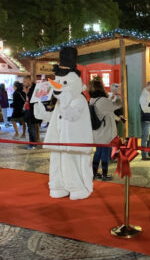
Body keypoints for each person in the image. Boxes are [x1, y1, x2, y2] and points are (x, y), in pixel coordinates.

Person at [34, 46, 94, 200]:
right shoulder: (62, 101)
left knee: (71, 164)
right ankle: (58, 186)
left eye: (64, 81)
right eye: (58, 81)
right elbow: (56, 117)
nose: (59, 85)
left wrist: (66, 103)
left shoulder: (79, 100)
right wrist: (41, 112)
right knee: (56, 164)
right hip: (59, 140)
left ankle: (77, 187)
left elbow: (72, 116)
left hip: (73, 142)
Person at [89, 78, 122, 181]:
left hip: (98, 131)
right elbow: (116, 105)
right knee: (105, 152)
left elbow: (107, 111)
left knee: (98, 151)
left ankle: (94, 173)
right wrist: (118, 94)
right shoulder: (102, 100)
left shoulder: (93, 99)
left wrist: (111, 96)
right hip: (105, 132)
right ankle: (104, 174)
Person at [23, 76, 41, 150]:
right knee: (30, 127)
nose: (24, 83)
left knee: (31, 128)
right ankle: (32, 143)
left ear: (29, 80)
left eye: (25, 81)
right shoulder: (31, 87)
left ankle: (33, 144)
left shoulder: (34, 87)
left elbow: (32, 99)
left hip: (32, 110)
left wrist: (26, 91)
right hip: (29, 110)